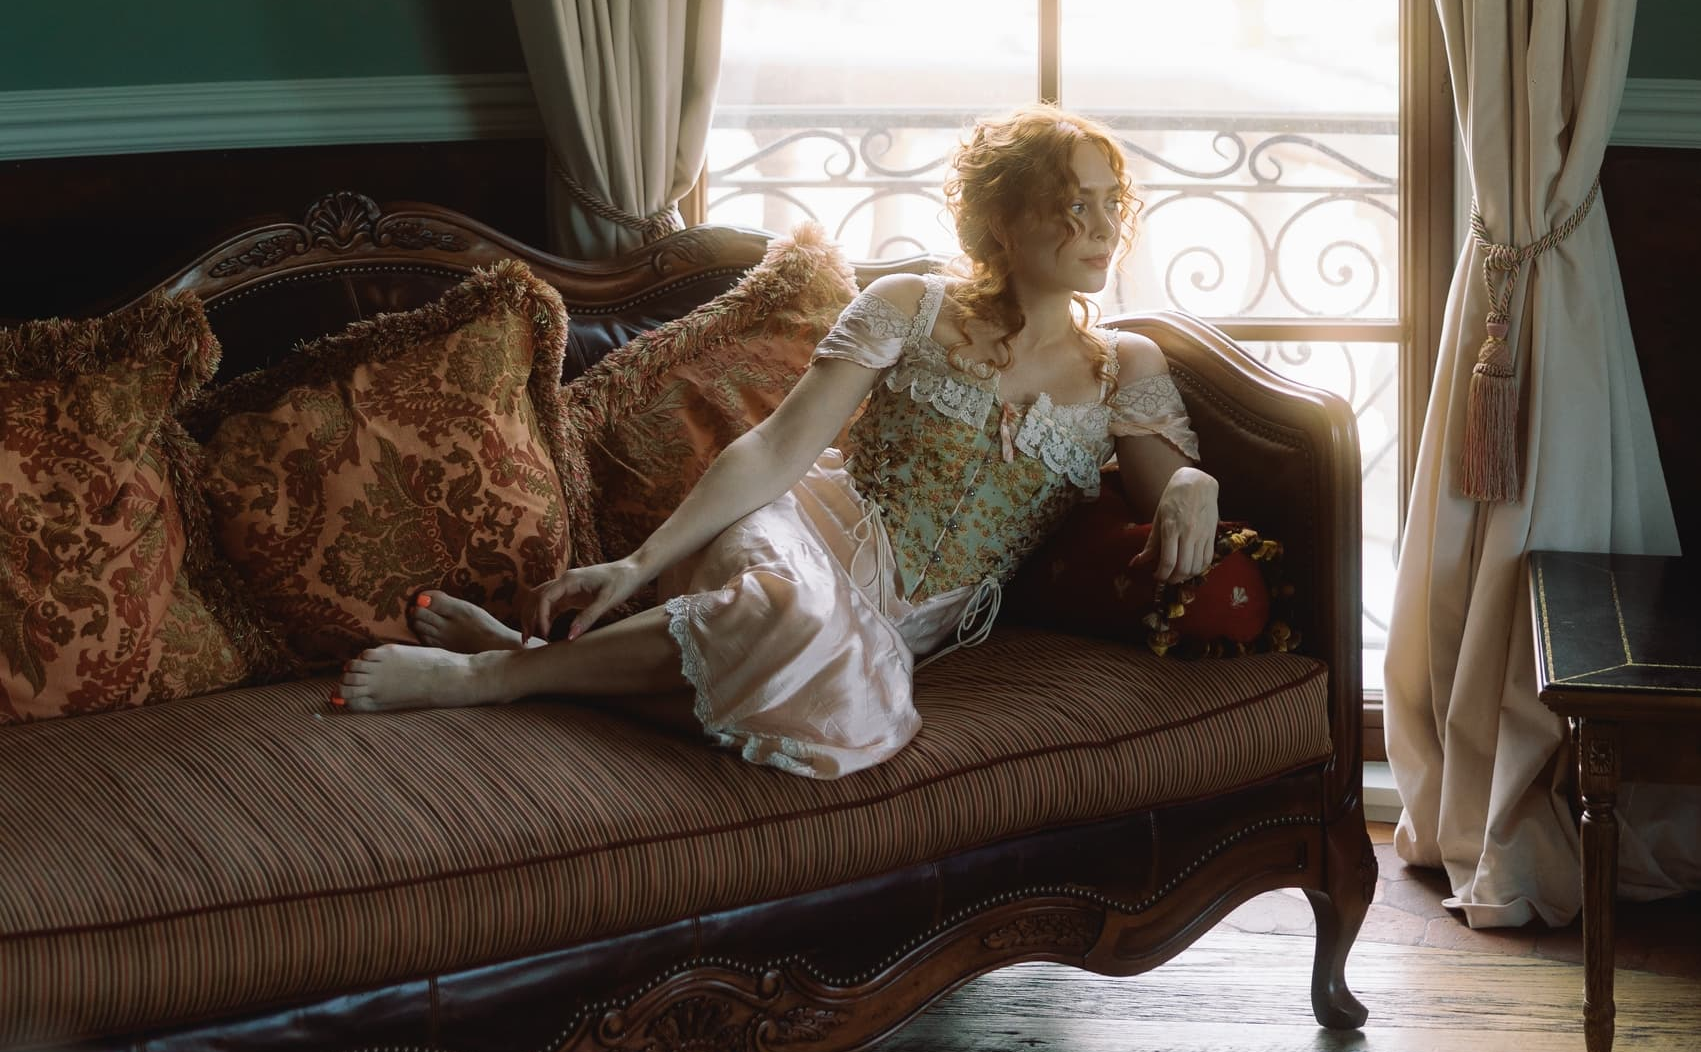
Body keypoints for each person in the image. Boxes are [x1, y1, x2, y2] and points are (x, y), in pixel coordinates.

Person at [338, 107, 1220, 776]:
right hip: (801, 529)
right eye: (1074, 204)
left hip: (905, 622)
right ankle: (487, 680)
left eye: (1112, 203)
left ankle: (520, 654)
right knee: (793, 612)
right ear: (1005, 218)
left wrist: (1189, 484)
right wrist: (634, 566)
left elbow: (1160, 484)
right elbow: (775, 448)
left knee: (854, 702)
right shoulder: (911, 306)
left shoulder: (1122, 368)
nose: (1103, 228)